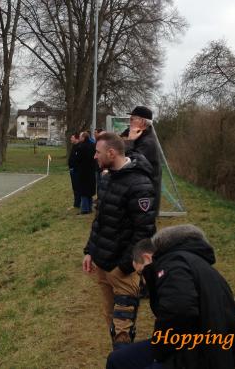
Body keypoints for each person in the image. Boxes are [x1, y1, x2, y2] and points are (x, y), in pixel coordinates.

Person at [106, 224, 235, 369]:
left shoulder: (172, 265)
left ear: (146, 258)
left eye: (140, 273)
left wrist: (160, 355)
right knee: (117, 359)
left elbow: (180, 311)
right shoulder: (187, 261)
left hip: (203, 354)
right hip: (194, 344)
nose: (143, 280)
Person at [83, 132, 157, 349]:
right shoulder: (106, 180)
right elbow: (100, 221)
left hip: (123, 272)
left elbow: (145, 232)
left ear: (111, 152)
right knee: (110, 320)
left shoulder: (140, 184)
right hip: (102, 265)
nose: (94, 156)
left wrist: (123, 267)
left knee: (122, 331)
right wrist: (90, 251)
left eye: (97, 152)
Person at [124, 106, 162, 216]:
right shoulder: (140, 137)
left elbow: (129, 163)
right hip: (140, 193)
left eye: (132, 119)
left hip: (145, 197)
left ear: (142, 122)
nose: (129, 121)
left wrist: (130, 141)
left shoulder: (147, 142)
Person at [74, 131, 97, 214]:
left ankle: (84, 209)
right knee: (89, 190)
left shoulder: (81, 147)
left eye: (80, 136)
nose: (79, 138)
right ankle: (90, 208)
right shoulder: (93, 145)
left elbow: (77, 159)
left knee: (83, 190)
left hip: (83, 171)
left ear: (84, 138)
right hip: (91, 171)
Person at [68, 132, 81, 209]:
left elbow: (78, 160)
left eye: (72, 137)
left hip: (76, 170)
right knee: (74, 187)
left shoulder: (79, 147)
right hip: (72, 169)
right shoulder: (74, 146)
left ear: (76, 138)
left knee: (77, 187)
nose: (70, 139)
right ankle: (76, 203)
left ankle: (77, 203)